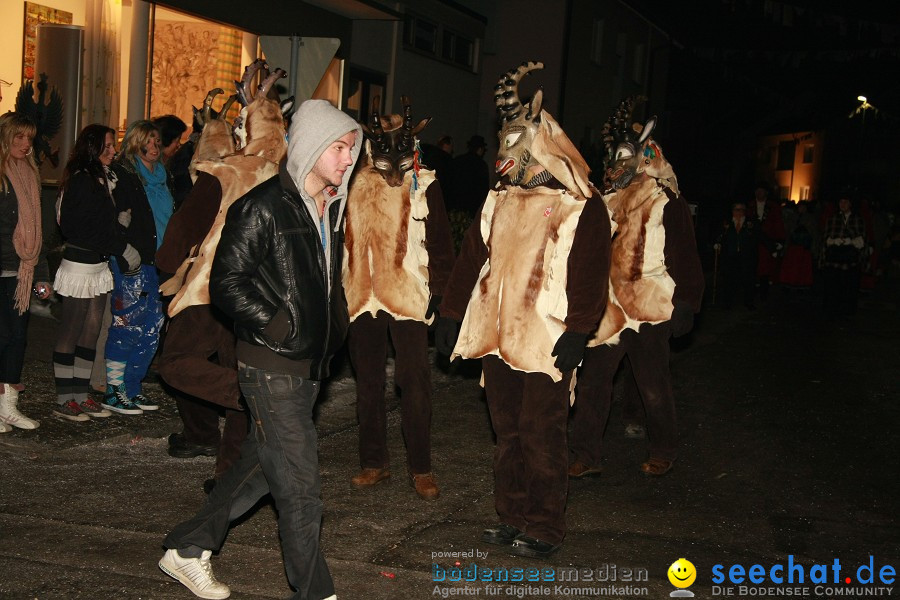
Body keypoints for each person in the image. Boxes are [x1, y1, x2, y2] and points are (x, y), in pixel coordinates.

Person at [157, 98, 361, 600]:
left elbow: (328, 281)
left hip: (309, 364)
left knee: (258, 471)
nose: (345, 158)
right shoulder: (262, 206)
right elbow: (227, 283)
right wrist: (280, 325)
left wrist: (333, 329)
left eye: (351, 148)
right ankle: (316, 592)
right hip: (272, 365)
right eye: (337, 147)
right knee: (300, 487)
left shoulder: (329, 206)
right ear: (312, 146)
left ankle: (186, 548)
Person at [436, 62, 610, 559]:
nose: (504, 156)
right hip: (499, 337)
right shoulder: (499, 201)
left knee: (541, 432)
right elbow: (472, 259)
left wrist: (578, 331)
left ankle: (545, 525)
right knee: (507, 431)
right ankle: (511, 516)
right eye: (503, 143)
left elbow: (591, 273)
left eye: (516, 142)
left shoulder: (582, 207)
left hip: (548, 339)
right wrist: (451, 314)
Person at [157, 64, 285, 494]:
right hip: (263, 296)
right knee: (236, 366)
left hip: (213, 288)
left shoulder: (227, 172)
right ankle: (228, 474)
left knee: (175, 363)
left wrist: (166, 263)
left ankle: (254, 395)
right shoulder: (291, 178)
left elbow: (184, 227)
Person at [568, 98, 704, 480]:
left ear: (645, 157)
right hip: (608, 309)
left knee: (653, 384)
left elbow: (686, 256)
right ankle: (586, 454)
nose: (615, 167)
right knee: (594, 383)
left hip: (649, 306)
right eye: (612, 159)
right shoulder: (605, 202)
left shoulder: (666, 201)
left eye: (624, 157)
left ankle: (664, 449)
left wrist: (687, 302)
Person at [343, 96, 455, 500]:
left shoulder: (425, 184)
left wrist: (442, 296)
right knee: (368, 383)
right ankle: (374, 462)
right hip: (362, 295)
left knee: (414, 382)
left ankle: (421, 467)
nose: (393, 175)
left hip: (409, 294)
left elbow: (442, 243)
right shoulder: (351, 184)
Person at [51, 124, 137, 421]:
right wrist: (119, 244)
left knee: (90, 331)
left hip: (99, 263)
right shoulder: (81, 180)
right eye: (108, 146)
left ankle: (80, 394)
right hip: (79, 264)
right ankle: (64, 398)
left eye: (114, 145)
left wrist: (120, 227)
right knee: (71, 330)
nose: (113, 151)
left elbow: (103, 221)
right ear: (92, 147)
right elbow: (77, 227)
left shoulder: (104, 179)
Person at [102, 120, 172, 414]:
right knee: (127, 325)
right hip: (134, 262)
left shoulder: (162, 177)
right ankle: (114, 391)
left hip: (160, 263)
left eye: (157, 140)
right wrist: (124, 251)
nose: (154, 146)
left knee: (152, 329)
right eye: (148, 140)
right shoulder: (125, 174)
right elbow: (117, 219)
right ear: (134, 143)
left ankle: (133, 387)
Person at [0, 112, 52, 432]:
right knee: (3, 336)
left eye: (29, 138)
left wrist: (42, 274)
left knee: (17, 338)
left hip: (22, 270)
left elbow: (38, 232)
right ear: (5, 137)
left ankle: (7, 407)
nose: (24, 144)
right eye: (18, 137)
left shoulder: (30, 176)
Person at [821, 196, 865, 316]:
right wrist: (834, 241)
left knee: (849, 288)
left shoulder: (857, 219)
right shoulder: (833, 219)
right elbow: (825, 237)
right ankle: (831, 311)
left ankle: (846, 312)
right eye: (841, 201)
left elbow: (862, 240)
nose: (843, 204)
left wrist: (850, 241)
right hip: (834, 260)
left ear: (850, 204)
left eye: (846, 201)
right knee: (832, 287)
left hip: (850, 261)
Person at [716, 202, 758, 308]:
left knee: (747, 280)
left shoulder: (751, 223)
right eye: (736, 210)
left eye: (741, 210)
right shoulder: (727, 223)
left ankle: (749, 303)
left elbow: (759, 236)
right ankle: (727, 303)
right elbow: (719, 235)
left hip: (746, 256)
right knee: (729, 280)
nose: (739, 212)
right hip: (730, 256)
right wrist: (717, 243)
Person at [751, 184, 785, 302]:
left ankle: (763, 293)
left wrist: (779, 240)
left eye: (761, 191)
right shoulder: (750, 205)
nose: (759, 193)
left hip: (767, 242)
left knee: (764, 268)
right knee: (752, 266)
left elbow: (778, 223)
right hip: (752, 242)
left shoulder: (773, 207)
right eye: (757, 191)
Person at [448, 134, 489, 217]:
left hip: (456, 206)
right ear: (480, 149)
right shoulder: (481, 165)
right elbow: (483, 190)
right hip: (473, 208)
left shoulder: (457, 160)